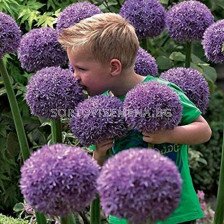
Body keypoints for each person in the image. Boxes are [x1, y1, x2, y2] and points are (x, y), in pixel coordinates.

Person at [58, 13, 212, 224]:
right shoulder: (98, 108)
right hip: (124, 215)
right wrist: (100, 154)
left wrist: (169, 134)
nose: (74, 76)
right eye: (73, 68)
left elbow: (204, 131)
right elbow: (98, 167)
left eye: (81, 69)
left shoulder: (162, 92)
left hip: (174, 213)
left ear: (114, 67)